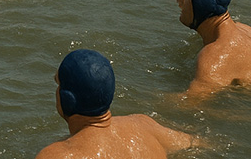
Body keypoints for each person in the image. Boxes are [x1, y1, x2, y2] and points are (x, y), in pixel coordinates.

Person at [36, 49, 196, 159]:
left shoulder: (57, 155)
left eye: (58, 84)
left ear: (68, 99)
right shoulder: (143, 126)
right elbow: (197, 144)